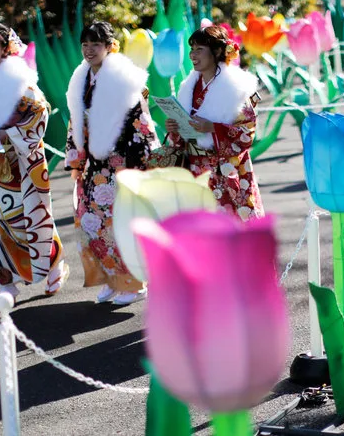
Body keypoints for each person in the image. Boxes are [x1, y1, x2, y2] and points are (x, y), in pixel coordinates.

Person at [0, 23, 68, 309]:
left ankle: (55, 264)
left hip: (21, 165)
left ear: (5, 49)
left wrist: (7, 134)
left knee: (28, 223)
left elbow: (40, 116)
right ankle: (6, 285)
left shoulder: (20, 81)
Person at [65, 21, 158, 305]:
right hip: (94, 166)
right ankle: (108, 278)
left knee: (122, 223)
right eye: (85, 44)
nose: (89, 50)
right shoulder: (81, 79)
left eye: (95, 44)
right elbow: (75, 123)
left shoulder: (123, 80)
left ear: (109, 46)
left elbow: (140, 123)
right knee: (90, 222)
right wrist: (76, 158)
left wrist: (130, 162)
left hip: (121, 163)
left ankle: (133, 283)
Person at [164, 25, 265, 222]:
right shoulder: (188, 86)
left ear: (218, 51)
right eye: (192, 49)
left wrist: (213, 128)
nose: (193, 55)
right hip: (195, 170)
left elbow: (246, 132)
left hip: (224, 172)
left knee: (230, 229)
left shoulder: (235, 88)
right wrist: (175, 129)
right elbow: (182, 136)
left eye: (199, 49)